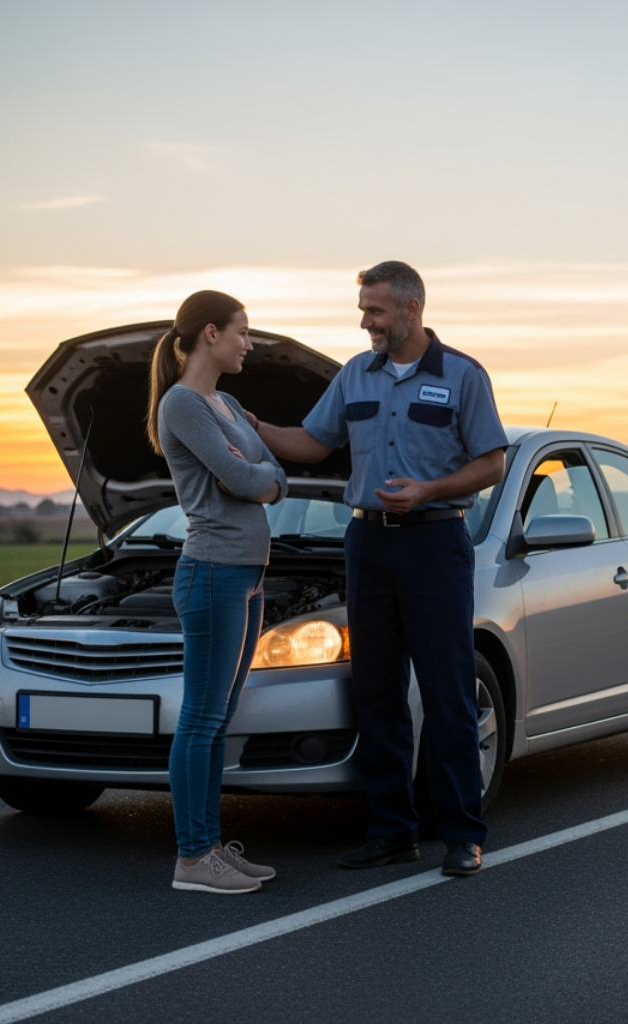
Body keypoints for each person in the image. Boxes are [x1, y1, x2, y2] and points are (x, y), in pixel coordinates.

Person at [249, 261, 506, 877]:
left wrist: (430, 489)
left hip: (434, 545)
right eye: (363, 309)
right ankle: (393, 830)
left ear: (411, 309)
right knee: (377, 690)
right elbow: (313, 442)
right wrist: (248, 427)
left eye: (375, 310)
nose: (365, 320)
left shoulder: (464, 376)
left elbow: (492, 462)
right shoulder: (353, 376)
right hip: (367, 545)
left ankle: (463, 835)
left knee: (447, 691)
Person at [146, 290, 288, 894]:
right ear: (210, 333)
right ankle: (193, 856)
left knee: (220, 716)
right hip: (212, 573)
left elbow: (268, 471)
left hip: (247, 577)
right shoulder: (181, 403)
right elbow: (241, 477)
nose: (248, 344)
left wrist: (263, 478)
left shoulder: (224, 402)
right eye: (242, 332)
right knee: (201, 718)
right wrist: (261, 478)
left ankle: (210, 846)